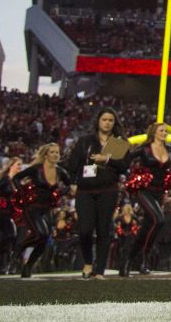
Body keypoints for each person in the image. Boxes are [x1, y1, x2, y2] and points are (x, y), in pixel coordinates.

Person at [64, 106, 128, 280]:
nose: (107, 123)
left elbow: (124, 166)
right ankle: (87, 262)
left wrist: (106, 159)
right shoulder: (85, 141)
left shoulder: (118, 142)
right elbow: (73, 164)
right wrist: (72, 183)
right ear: (98, 121)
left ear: (114, 123)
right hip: (85, 190)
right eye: (104, 119)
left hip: (108, 190)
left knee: (103, 230)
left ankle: (99, 270)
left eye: (110, 120)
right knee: (84, 230)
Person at [125, 121, 171, 274]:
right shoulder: (144, 149)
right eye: (161, 131)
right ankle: (144, 259)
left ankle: (129, 260)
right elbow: (125, 158)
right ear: (153, 132)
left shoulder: (170, 149)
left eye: (165, 131)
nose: (164, 134)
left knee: (147, 228)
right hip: (143, 190)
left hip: (159, 192)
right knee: (159, 219)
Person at [13, 143, 72, 278]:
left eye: (57, 152)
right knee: (40, 234)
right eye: (52, 152)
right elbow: (17, 178)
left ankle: (28, 267)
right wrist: (22, 192)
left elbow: (70, 184)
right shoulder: (36, 169)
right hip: (32, 207)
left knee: (44, 239)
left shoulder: (60, 171)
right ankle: (17, 251)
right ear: (46, 154)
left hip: (47, 209)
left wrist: (61, 192)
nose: (55, 154)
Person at [0, 157, 23, 275]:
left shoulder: (16, 182)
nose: (20, 167)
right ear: (11, 166)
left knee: (9, 238)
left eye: (20, 165)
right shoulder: (4, 180)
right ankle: (2, 264)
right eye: (18, 165)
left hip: (9, 214)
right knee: (5, 237)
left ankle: (3, 266)